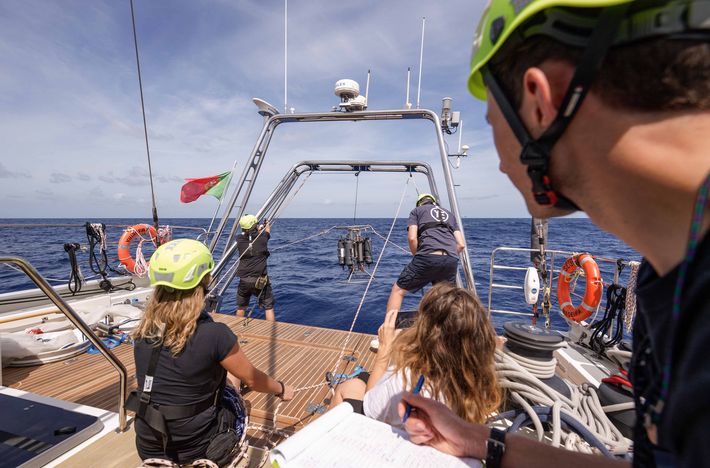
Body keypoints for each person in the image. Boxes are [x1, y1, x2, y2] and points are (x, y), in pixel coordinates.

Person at [399, 1, 710, 467]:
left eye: (492, 124)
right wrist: (474, 440)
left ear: (538, 101)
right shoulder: (665, 279)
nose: (502, 163)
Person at [131, 238, 294, 464]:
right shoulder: (215, 335)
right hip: (198, 447)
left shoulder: (143, 331)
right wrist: (282, 389)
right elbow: (253, 380)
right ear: (204, 282)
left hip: (149, 443)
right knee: (237, 389)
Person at [332, 283, 501, 429]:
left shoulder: (407, 380)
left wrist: (384, 349)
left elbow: (371, 406)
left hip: (397, 438)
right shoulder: (479, 378)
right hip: (444, 434)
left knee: (350, 386)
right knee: (363, 377)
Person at [385, 193, 466, 314]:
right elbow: (461, 245)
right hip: (451, 259)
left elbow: (412, 238)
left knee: (398, 290)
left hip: (427, 257)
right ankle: (449, 330)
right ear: (433, 202)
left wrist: (417, 255)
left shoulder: (416, 211)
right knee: (446, 298)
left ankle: (388, 327)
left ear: (420, 203)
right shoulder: (450, 214)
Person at [235, 214, 275, 322]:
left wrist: (257, 229)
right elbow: (267, 232)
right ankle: (269, 331)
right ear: (255, 226)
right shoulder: (263, 239)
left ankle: (237, 328)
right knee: (268, 307)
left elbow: (248, 237)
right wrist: (264, 226)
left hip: (244, 280)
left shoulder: (239, 239)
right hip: (260, 280)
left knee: (241, 307)